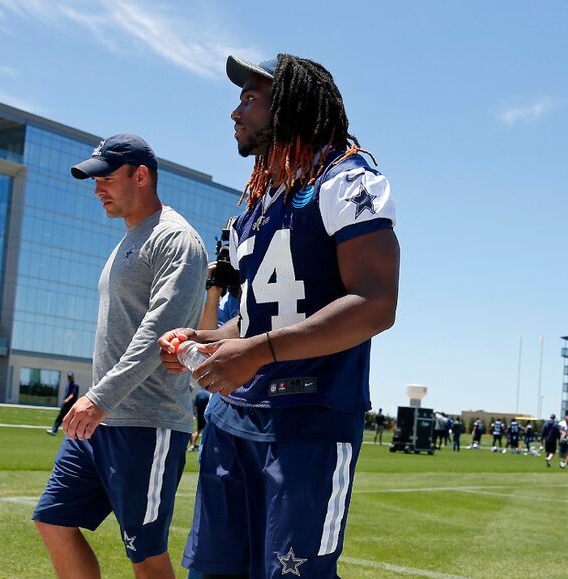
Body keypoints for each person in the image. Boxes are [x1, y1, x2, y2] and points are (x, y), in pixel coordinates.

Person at [158, 53, 399, 578]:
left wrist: (259, 353)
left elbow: (377, 302)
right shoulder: (255, 205)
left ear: (290, 104)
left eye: (250, 98)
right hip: (231, 421)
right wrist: (204, 338)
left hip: (308, 421)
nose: (234, 112)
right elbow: (250, 319)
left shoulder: (345, 180)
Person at [32, 134, 208, 578]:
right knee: (52, 520)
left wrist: (99, 396)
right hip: (100, 420)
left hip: (146, 423)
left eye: (106, 179)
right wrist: (97, 400)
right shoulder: (126, 242)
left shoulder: (176, 239)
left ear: (141, 176)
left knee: (145, 556)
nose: (97, 190)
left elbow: (159, 332)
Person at [46, 371, 80, 436]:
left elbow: (72, 394)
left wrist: (67, 400)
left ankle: (74, 433)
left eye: (70, 377)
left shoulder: (75, 385)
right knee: (60, 417)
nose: (69, 378)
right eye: (69, 377)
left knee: (70, 419)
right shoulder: (68, 385)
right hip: (65, 405)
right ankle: (54, 430)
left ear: (73, 377)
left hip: (70, 405)